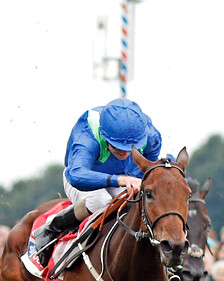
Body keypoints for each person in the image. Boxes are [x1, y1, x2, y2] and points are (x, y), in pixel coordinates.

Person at [31, 99, 162, 265]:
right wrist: (119, 179)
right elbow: (76, 174)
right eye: (118, 147)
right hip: (83, 180)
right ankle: (52, 227)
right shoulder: (88, 132)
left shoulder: (150, 135)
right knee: (102, 201)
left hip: (122, 178)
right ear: (104, 135)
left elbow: (147, 170)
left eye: (130, 147)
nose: (125, 152)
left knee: (142, 204)